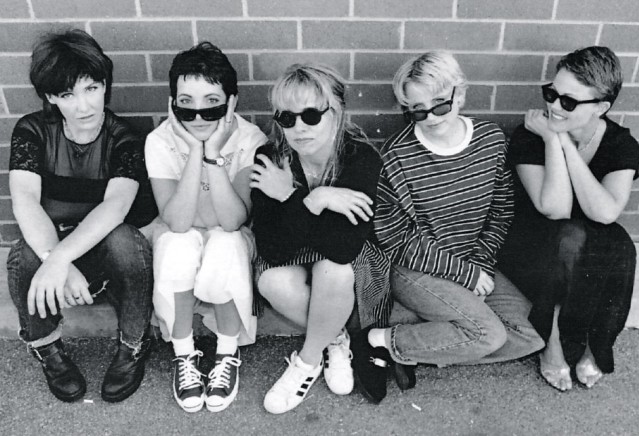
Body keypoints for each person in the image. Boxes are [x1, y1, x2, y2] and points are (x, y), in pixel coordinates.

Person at [354, 51, 544, 403]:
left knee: (530, 336)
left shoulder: (490, 140)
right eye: (418, 110)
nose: (431, 117)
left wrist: (480, 265)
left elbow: (501, 211)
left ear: (461, 94)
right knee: (490, 335)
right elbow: (397, 238)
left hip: (473, 260)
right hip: (416, 268)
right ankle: (375, 340)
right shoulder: (396, 155)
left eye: (440, 104)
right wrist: (464, 275)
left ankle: (416, 346)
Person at [6, 29, 156, 403]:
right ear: (50, 97)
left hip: (103, 251)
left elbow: (115, 206)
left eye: (92, 88)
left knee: (127, 240)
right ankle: (47, 349)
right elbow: (25, 200)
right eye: (67, 95)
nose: (83, 106)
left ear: (105, 85)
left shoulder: (124, 139)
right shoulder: (32, 130)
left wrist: (60, 259)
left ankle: (134, 345)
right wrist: (54, 258)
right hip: (52, 244)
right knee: (23, 254)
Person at [250, 63, 390, 414]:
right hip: (294, 250)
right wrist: (314, 201)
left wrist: (292, 198)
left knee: (334, 269)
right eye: (287, 118)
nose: (299, 128)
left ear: (336, 112)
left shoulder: (360, 158)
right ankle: (334, 339)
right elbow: (273, 249)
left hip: (350, 260)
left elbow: (342, 248)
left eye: (311, 115)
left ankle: (307, 361)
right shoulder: (270, 159)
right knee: (271, 280)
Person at [498, 46, 638, 391]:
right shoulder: (530, 136)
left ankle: (597, 345)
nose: (555, 107)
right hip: (532, 243)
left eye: (569, 102)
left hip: (586, 239)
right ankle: (554, 344)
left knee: (622, 245)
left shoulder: (620, 144)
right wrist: (550, 139)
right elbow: (555, 208)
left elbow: (605, 212)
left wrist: (564, 143)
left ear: (601, 107)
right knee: (570, 236)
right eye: (551, 94)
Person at [144, 42, 267, 413]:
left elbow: (232, 219)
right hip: (181, 233)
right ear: (173, 104)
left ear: (231, 102)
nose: (198, 115)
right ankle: (184, 355)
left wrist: (212, 154)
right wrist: (194, 150)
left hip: (230, 236)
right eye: (186, 103)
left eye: (211, 103)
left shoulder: (249, 139)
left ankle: (227, 353)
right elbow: (177, 220)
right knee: (177, 242)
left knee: (225, 242)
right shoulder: (160, 140)